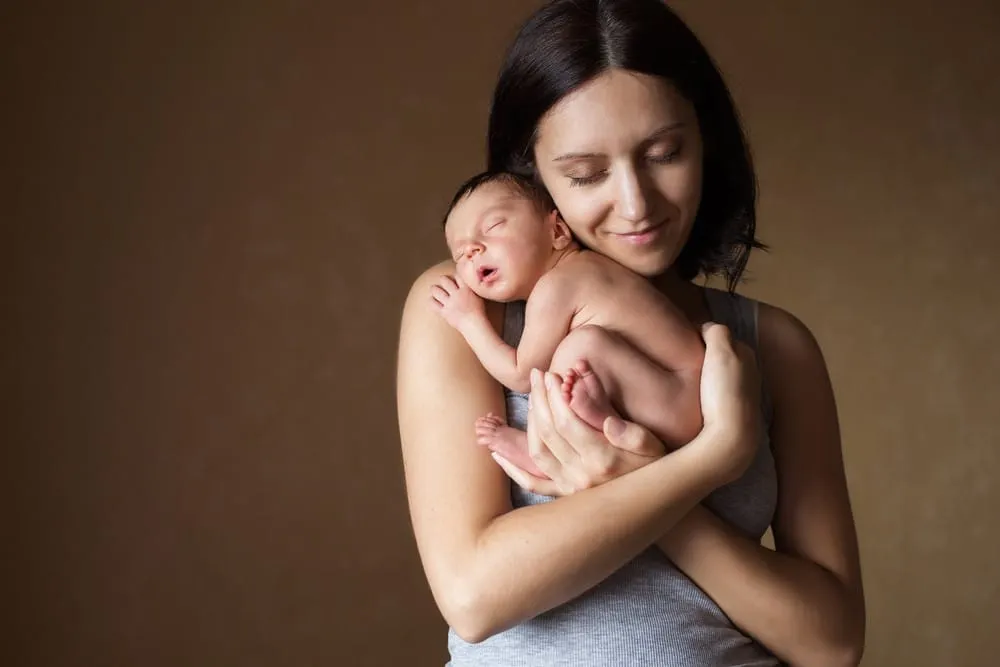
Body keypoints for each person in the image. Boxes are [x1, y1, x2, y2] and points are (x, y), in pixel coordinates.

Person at [397, 0, 865, 665]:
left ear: (707, 141)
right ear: (533, 180)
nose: (637, 203)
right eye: (587, 174)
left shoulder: (775, 345)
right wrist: (710, 458)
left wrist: (632, 475)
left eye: (665, 153)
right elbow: (475, 596)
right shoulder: (461, 309)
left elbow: (832, 642)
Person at [432, 170, 706, 473]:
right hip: (681, 397)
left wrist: (469, 319)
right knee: (585, 354)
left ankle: (541, 452)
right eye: (460, 253)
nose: (473, 249)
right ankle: (601, 421)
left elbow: (522, 375)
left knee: (580, 347)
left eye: (493, 226)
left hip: (679, 403)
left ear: (558, 232)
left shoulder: (558, 285)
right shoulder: (588, 269)